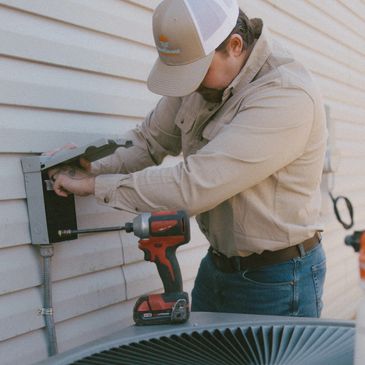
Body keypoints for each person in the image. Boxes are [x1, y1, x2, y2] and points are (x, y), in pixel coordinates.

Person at [50, 0, 327, 317]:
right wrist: (87, 166)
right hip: (218, 267)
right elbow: (149, 140)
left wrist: (96, 186)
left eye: (197, 71)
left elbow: (193, 186)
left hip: (278, 278)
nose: (189, 84)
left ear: (235, 46)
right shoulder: (202, 78)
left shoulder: (285, 95)